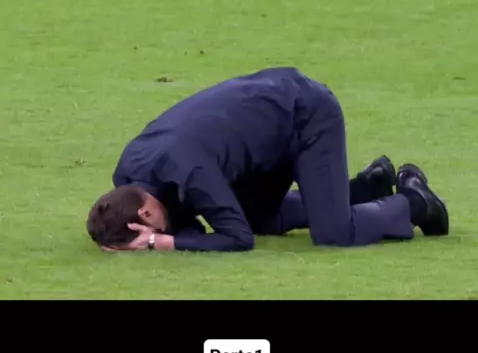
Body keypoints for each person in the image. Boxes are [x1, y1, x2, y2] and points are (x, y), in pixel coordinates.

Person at [86, 66, 449, 252]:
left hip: (305, 114)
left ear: (146, 215)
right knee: (259, 217)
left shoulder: (189, 170)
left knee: (334, 234)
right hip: (263, 124)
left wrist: (161, 243)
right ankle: (365, 188)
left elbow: (238, 238)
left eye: (148, 232)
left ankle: (416, 202)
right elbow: (192, 225)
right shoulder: (127, 174)